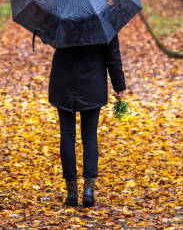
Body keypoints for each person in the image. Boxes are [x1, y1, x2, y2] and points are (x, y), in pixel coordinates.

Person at [48, 35, 126, 207]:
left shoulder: (61, 15)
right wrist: (119, 85)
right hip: (92, 84)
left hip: (63, 84)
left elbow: (49, 38)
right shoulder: (104, 20)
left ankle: (71, 192)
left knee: (67, 135)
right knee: (89, 136)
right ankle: (89, 190)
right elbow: (113, 56)